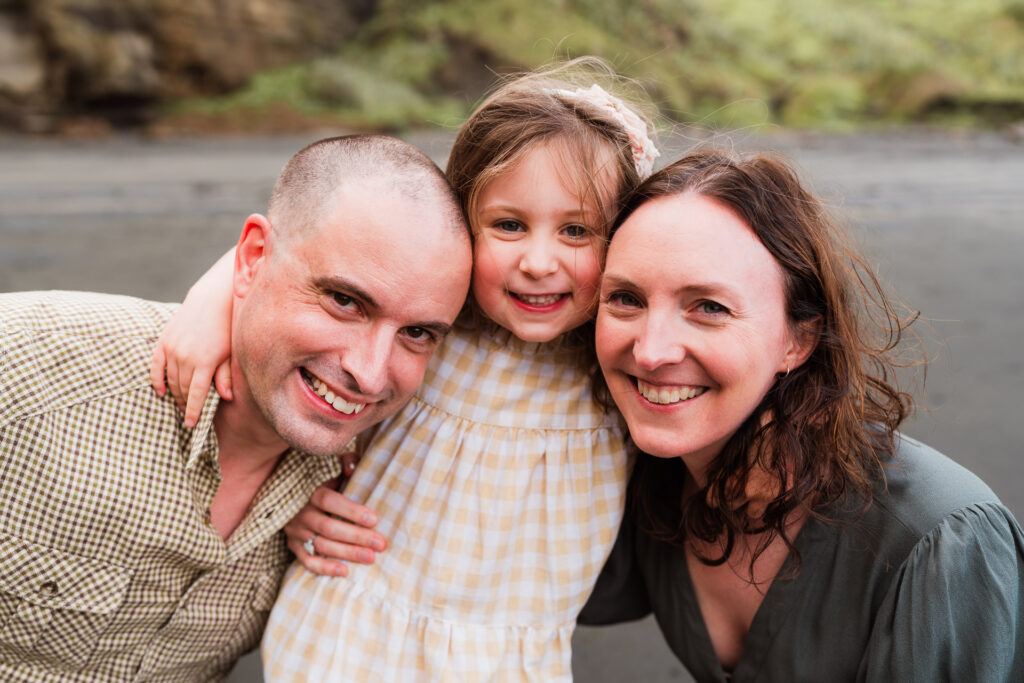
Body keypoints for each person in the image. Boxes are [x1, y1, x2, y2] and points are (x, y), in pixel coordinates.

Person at [150, 61, 659, 680]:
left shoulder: (618, 362)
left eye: (577, 231)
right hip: (347, 629)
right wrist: (212, 302)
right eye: (508, 225)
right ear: (464, 222)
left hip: (502, 659)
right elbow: (308, 248)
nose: (537, 261)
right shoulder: (429, 330)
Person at [0, 134, 472, 682]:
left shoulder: (369, 479)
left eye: (416, 333)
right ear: (250, 258)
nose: (369, 372)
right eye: (345, 301)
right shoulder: (29, 372)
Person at [576, 149, 1024, 681]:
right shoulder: (648, 480)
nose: (651, 351)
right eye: (626, 298)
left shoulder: (941, 541)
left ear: (798, 339)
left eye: (709, 308)